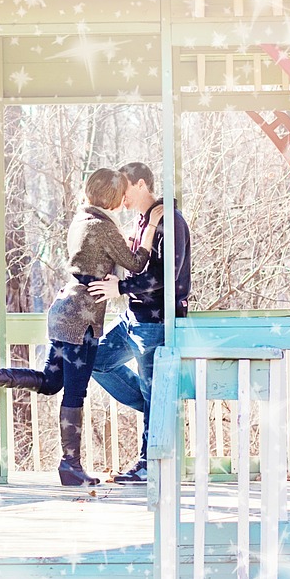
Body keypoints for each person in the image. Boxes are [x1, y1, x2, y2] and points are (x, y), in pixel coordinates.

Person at [0, 168, 165, 486]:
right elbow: (135, 264)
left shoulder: (81, 219)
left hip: (63, 310)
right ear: (110, 195)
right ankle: (70, 466)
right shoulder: (102, 226)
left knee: (51, 382)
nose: (123, 200)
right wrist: (149, 232)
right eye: (120, 194)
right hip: (82, 318)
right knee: (75, 393)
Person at [87, 161, 192, 484]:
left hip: (155, 322)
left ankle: (149, 464)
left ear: (143, 185)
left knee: (153, 389)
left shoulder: (170, 222)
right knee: (96, 360)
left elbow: (164, 277)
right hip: (131, 317)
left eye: (125, 187)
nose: (121, 195)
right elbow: (135, 265)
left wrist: (119, 287)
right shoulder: (141, 223)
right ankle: (156, 406)